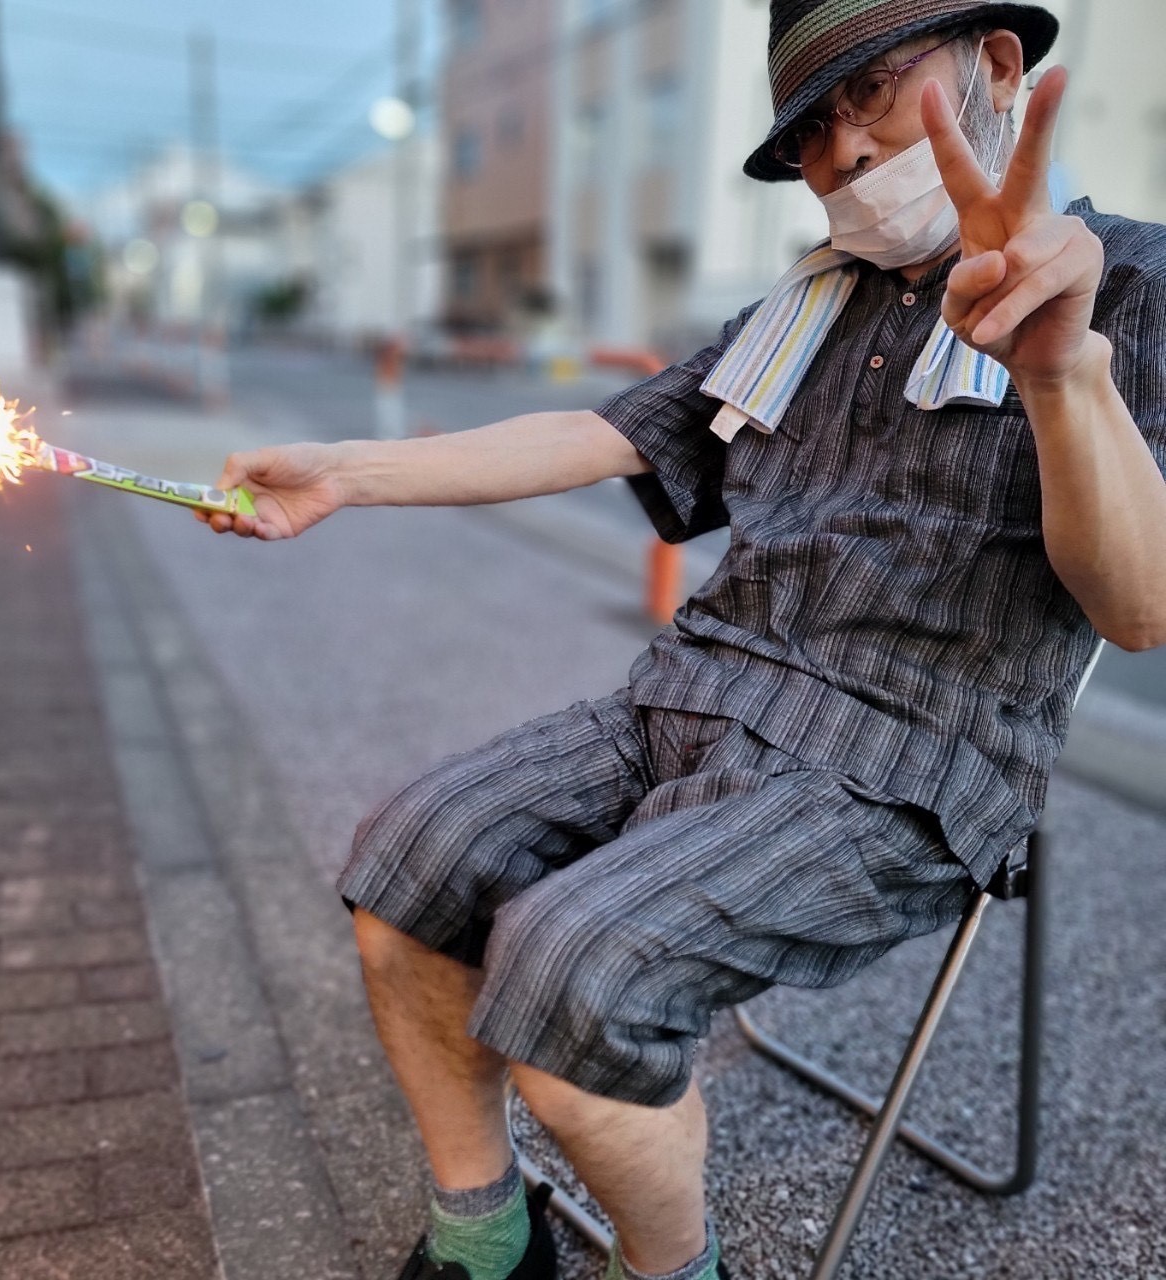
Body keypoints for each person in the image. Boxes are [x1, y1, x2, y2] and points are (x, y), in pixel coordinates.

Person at [199, 1, 1166, 1276]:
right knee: (405, 867)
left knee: (572, 975)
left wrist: (1057, 376)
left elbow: (1136, 608)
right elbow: (598, 432)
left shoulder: (1133, 284)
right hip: (690, 690)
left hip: (903, 760)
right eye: (809, 131)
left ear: (994, 65)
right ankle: (487, 1237)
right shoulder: (808, 303)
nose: (844, 154)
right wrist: (346, 469)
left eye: (870, 90)